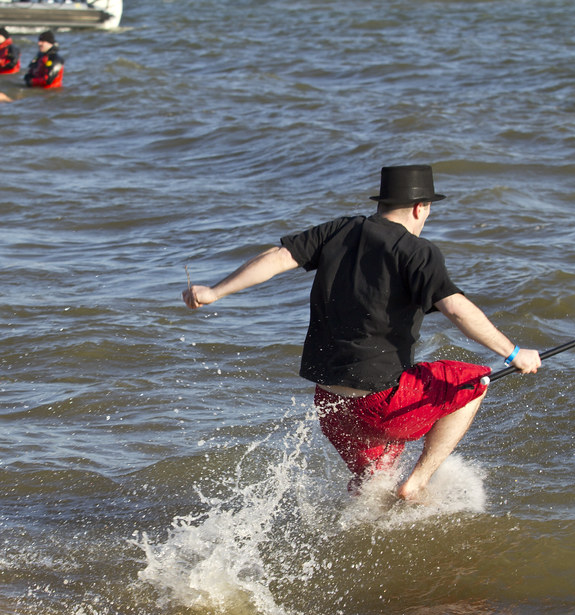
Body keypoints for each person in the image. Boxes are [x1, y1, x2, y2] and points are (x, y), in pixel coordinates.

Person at [182, 165, 541, 500]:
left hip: (331, 403)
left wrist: (214, 291)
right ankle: (418, 482)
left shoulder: (338, 230)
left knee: (373, 487)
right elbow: (456, 307)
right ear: (420, 208)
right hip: (381, 402)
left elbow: (277, 258)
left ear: (383, 204)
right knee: (474, 383)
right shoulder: (418, 252)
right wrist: (513, 353)